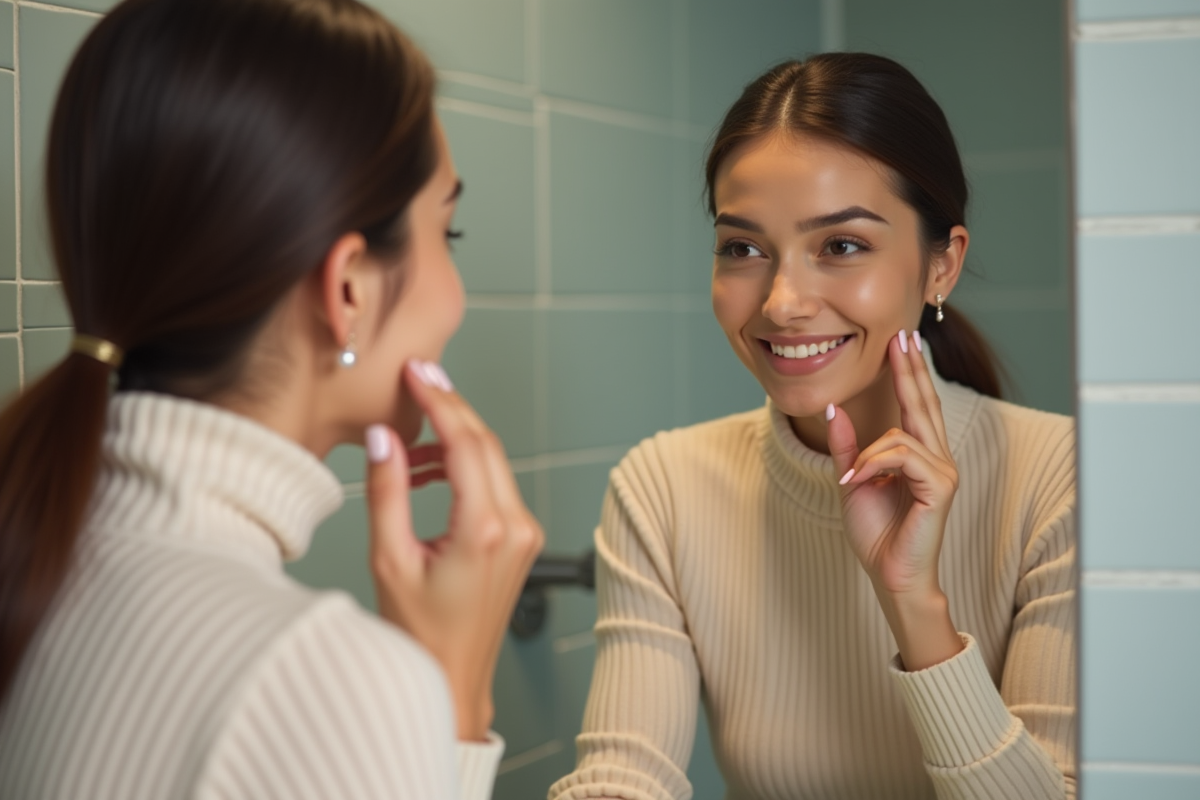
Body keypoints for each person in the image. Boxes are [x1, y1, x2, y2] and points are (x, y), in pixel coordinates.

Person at [0, 0, 542, 798]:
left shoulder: (35, 549)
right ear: (349, 288)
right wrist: (454, 701)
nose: (457, 295)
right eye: (446, 233)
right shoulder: (333, 682)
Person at [550, 53, 1075, 800]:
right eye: (743, 248)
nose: (783, 302)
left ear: (940, 267)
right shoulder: (664, 488)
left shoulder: (1059, 478)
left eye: (842, 246)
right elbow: (621, 777)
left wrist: (914, 605)